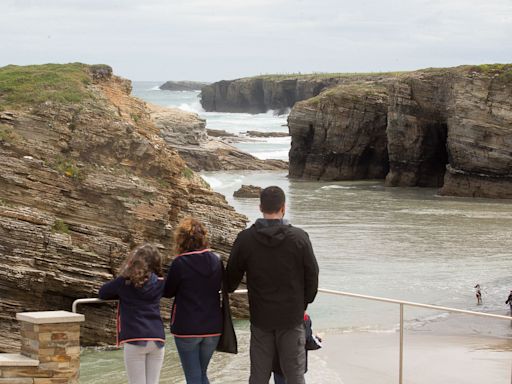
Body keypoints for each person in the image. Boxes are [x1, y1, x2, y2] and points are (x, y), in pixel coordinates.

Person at [227, 185, 319, 384]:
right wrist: (303, 302)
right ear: (283, 208)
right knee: (294, 375)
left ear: (260, 207)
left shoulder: (246, 239)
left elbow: (231, 278)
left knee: (259, 376)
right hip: (291, 317)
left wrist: (226, 287)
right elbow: (313, 275)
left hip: (261, 318)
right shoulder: (299, 238)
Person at [164, 217, 222, 384]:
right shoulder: (217, 260)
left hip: (187, 327)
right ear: (203, 237)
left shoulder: (180, 263)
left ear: (181, 239)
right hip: (213, 327)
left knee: (193, 377)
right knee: (201, 374)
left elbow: (168, 292)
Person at [98, 244, 165, 384]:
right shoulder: (160, 283)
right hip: (157, 338)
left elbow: (103, 293)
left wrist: (126, 271)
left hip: (135, 339)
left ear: (133, 261)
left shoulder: (124, 282)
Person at [273, 313, 322, 384]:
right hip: (296, 365)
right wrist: (318, 339)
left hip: (279, 365)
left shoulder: (275, 318)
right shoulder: (304, 318)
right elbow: (308, 342)